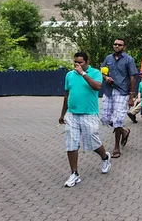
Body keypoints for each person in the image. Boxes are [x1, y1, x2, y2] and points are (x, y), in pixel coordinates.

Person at [59, 52, 111, 187]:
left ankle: (105, 157)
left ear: (87, 62)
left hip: (89, 114)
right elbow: (66, 95)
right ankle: (74, 174)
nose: (77, 64)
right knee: (71, 143)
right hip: (72, 114)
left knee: (92, 143)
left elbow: (97, 86)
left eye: (80, 62)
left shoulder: (95, 73)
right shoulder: (69, 75)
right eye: (75, 61)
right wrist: (62, 114)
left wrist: (83, 73)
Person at [100, 38, 138, 159]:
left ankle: (116, 147)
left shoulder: (129, 60)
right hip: (108, 91)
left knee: (117, 120)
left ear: (124, 47)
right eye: (115, 44)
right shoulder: (108, 58)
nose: (116, 46)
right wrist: (105, 78)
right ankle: (124, 131)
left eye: (119, 45)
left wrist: (131, 96)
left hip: (122, 92)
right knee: (105, 118)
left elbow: (132, 78)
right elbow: (102, 71)